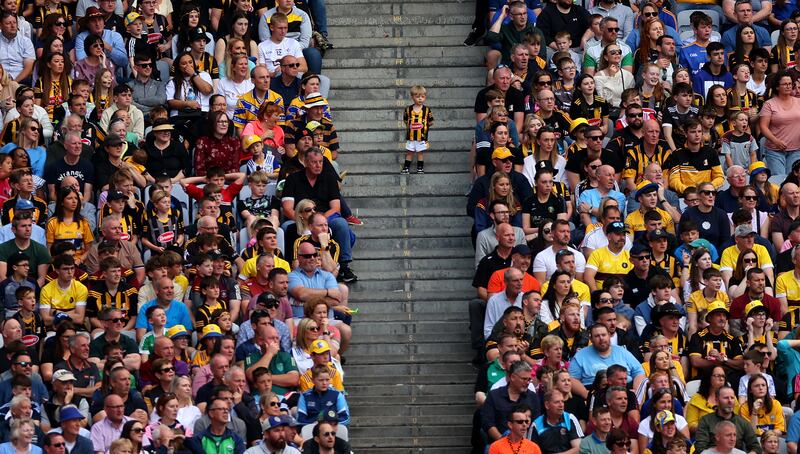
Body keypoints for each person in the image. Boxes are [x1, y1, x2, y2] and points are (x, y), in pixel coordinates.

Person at [759, 71, 800, 175]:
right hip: (775, 150)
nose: (788, 86)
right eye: (785, 84)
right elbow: (763, 126)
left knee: (793, 180)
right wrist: (775, 141)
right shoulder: (769, 104)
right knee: (778, 180)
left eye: (790, 84)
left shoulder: (798, 101)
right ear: (777, 87)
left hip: (796, 149)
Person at [401, 85, 433, 175]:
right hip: (411, 136)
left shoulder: (427, 110)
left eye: (422, 97)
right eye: (417, 96)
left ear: (425, 97)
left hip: (421, 136)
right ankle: (406, 168)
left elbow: (431, 122)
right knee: (410, 152)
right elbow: (406, 120)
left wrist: (423, 126)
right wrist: (412, 126)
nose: (420, 99)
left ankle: (420, 168)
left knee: (420, 153)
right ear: (412, 97)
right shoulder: (408, 109)